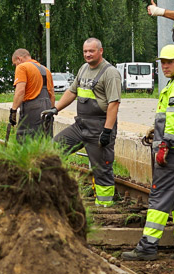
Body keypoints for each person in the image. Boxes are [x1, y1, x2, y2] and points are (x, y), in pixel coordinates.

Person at [120, 44, 174, 261]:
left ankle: (147, 247)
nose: (165, 66)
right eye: (162, 63)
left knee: (159, 196)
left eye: (170, 62)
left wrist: (165, 143)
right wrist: (156, 131)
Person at [44, 38, 121, 209]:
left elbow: (114, 103)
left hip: (99, 127)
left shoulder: (110, 73)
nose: (87, 54)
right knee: (52, 150)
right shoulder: (84, 68)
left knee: (101, 169)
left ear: (100, 51)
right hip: (81, 125)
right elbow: (72, 91)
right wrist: (55, 109)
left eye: (91, 51)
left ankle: (105, 205)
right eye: (85, 51)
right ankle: (52, 190)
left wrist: (107, 131)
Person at [8, 49, 55, 142]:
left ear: (19, 59)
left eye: (15, 64)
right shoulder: (46, 70)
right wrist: (52, 111)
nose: (15, 66)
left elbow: (20, 91)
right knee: (45, 142)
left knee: (25, 142)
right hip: (48, 109)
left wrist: (13, 110)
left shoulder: (22, 67)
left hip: (32, 110)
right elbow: (52, 95)